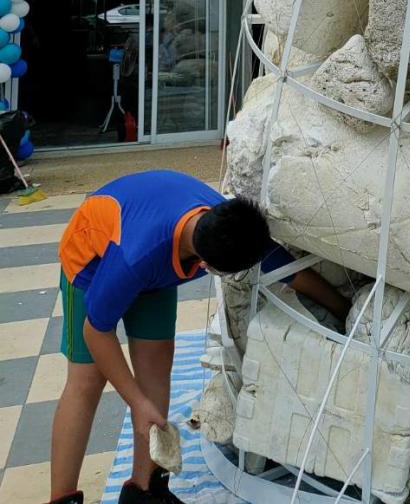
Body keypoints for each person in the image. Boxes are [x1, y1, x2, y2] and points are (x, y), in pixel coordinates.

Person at [50, 170, 349, 504]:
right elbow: (97, 331)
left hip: (153, 263)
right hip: (93, 259)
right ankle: (62, 498)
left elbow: (289, 272)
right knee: (87, 380)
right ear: (207, 266)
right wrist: (135, 402)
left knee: (156, 367)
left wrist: (345, 310)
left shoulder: (229, 225)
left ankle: (144, 490)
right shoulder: (135, 258)